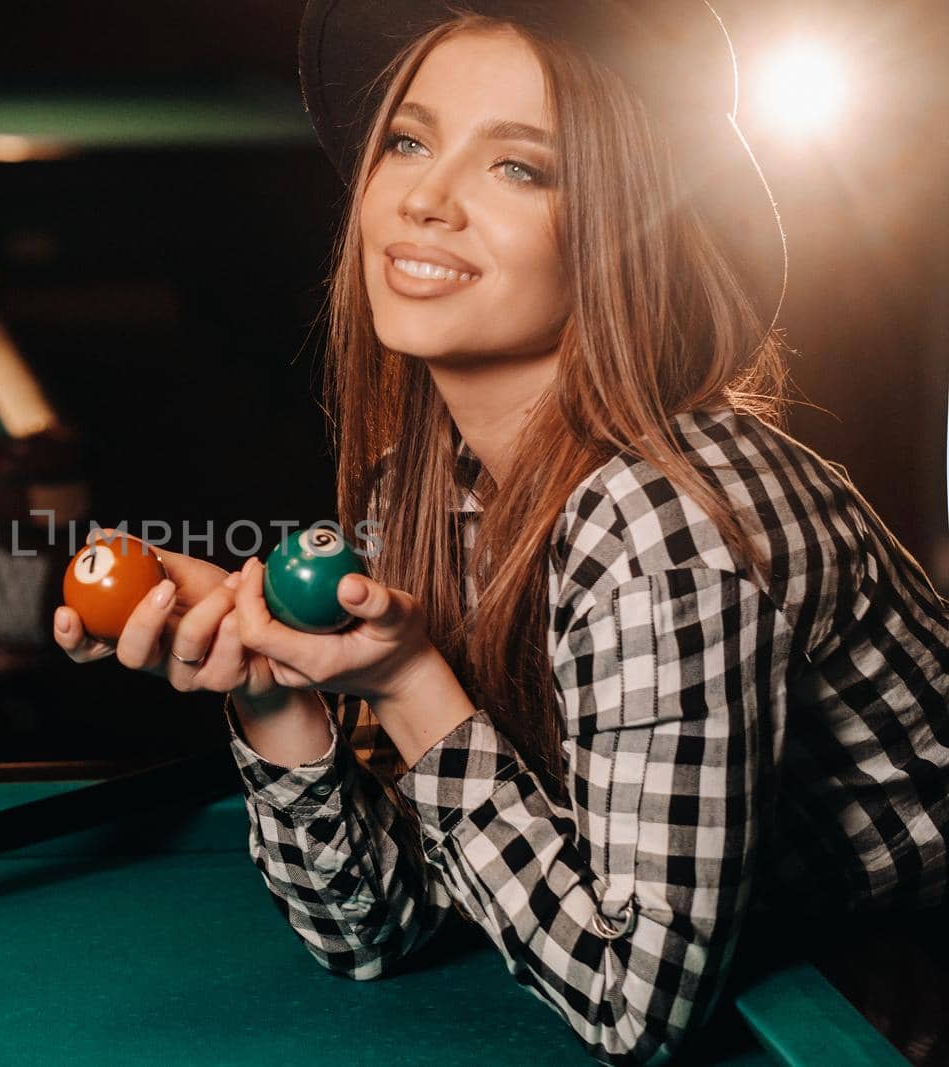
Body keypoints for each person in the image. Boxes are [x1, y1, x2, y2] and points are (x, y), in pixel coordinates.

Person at [53, 2, 949, 1063]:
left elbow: (634, 1008)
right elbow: (370, 931)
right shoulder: (423, 494)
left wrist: (406, 678)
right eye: (408, 140)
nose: (425, 199)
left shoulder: (672, 522)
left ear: (621, 232)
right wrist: (270, 680)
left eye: (518, 168)